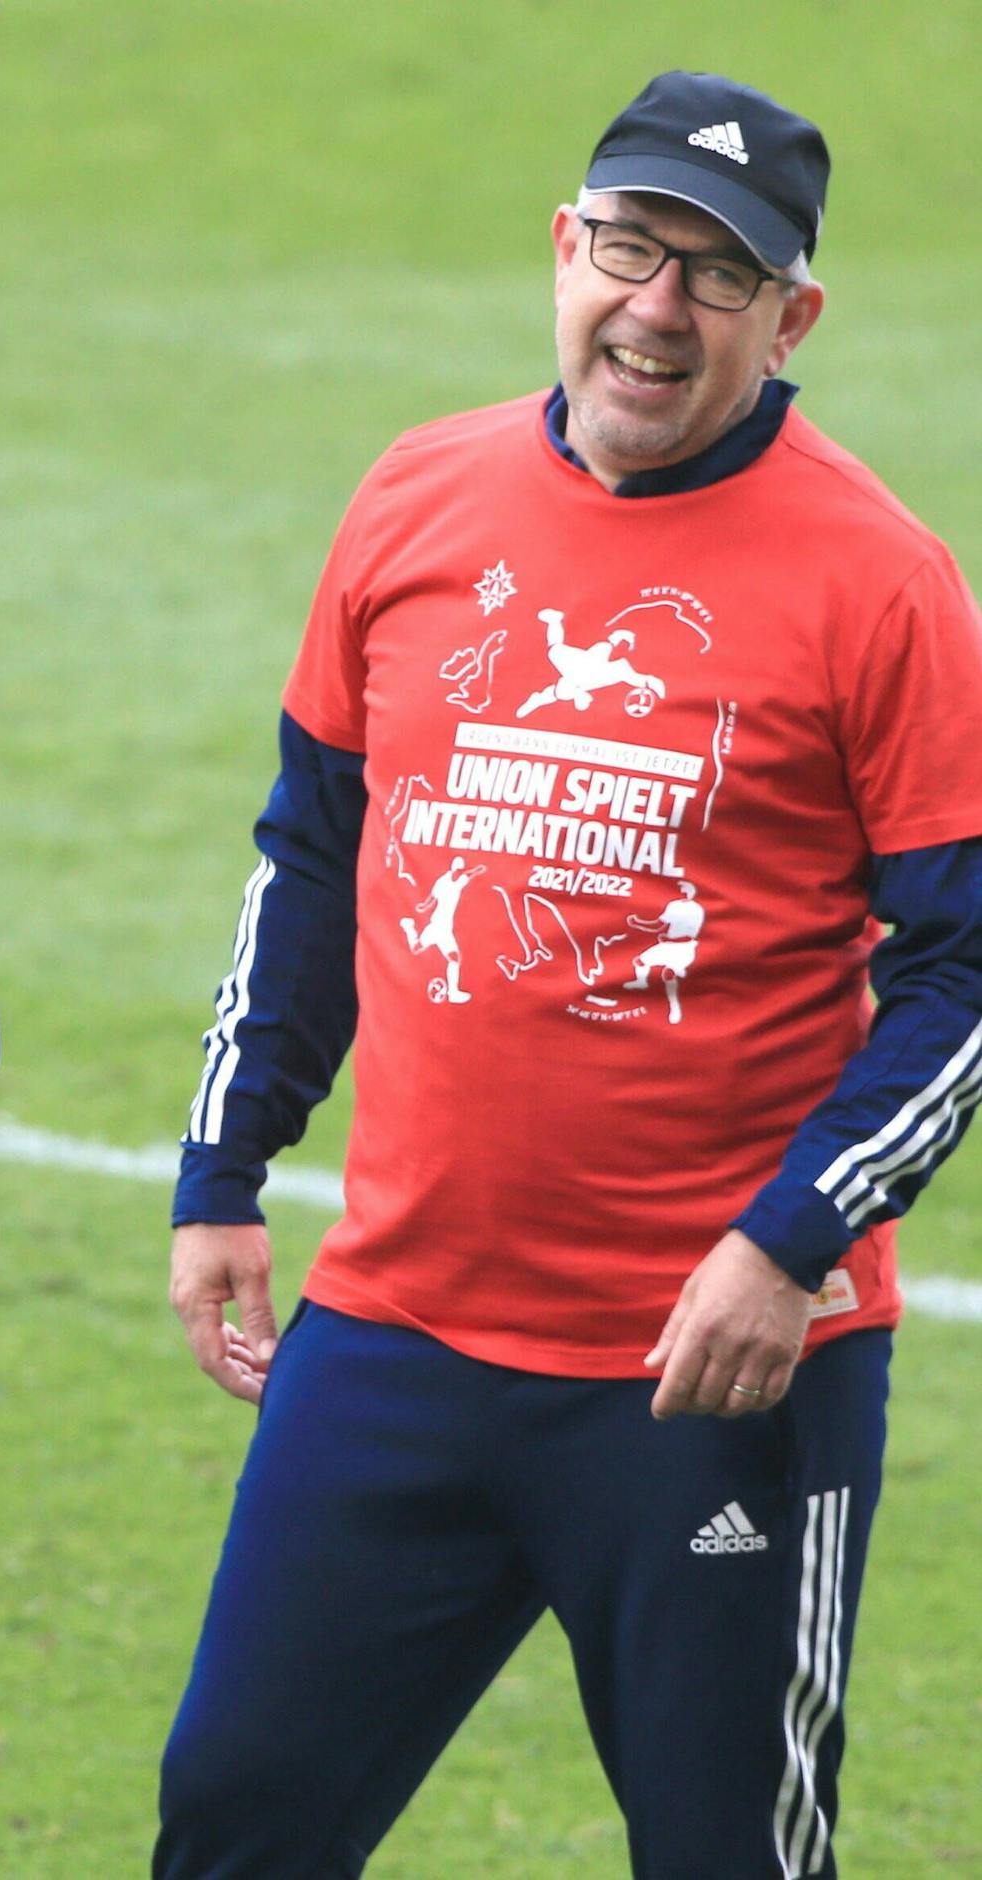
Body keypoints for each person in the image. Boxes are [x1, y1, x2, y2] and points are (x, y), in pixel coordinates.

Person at [158, 71, 982, 1878]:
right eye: (629, 246)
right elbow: (312, 854)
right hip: (395, 1337)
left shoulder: (884, 585)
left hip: (721, 1378)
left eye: (718, 272)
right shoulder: (415, 496)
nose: (658, 308)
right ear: (563, 246)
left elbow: (963, 972)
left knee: (729, 1859)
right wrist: (227, 1166)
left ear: (794, 317)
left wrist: (793, 1242)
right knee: (232, 1827)